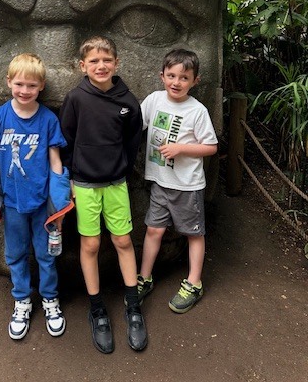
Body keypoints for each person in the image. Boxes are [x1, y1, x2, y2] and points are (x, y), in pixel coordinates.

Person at [0, 53, 72, 340]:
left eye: (31, 85)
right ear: (9, 82)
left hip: (42, 203)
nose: (24, 90)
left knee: (46, 254)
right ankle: (22, 301)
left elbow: (56, 163)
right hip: (13, 202)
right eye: (19, 84)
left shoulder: (48, 120)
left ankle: (50, 300)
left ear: (41, 86)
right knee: (15, 254)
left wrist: (59, 205)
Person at [59, 36, 147, 354]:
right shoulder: (76, 99)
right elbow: (65, 139)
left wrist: (120, 167)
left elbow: (132, 141)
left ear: (116, 63)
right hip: (83, 184)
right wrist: (68, 177)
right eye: (93, 61)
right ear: (83, 66)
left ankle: (133, 305)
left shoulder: (128, 102)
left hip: (116, 184)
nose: (100, 65)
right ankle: (97, 308)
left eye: (106, 60)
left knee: (123, 240)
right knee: (91, 244)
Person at [137, 49, 218, 313]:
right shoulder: (154, 100)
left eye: (184, 77)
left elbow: (211, 147)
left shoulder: (197, 110)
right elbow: (135, 125)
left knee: (193, 232)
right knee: (154, 229)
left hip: (187, 185)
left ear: (195, 81)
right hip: (160, 181)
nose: (176, 82)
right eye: (171, 75)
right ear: (162, 76)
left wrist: (182, 148)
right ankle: (144, 277)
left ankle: (194, 282)